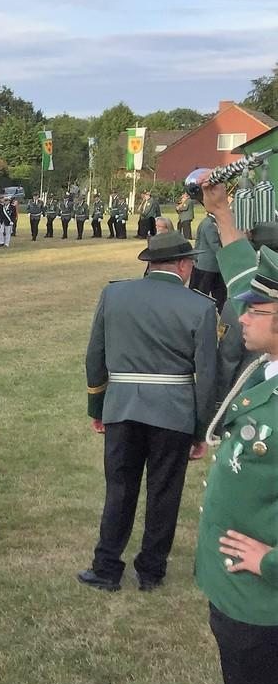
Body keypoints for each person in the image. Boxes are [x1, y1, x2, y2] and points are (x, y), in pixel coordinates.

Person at [185, 249, 278, 684]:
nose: (242, 315)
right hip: (238, 595)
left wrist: (268, 560)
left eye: (257, 308)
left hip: (263, 601)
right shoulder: (266, 374)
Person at [79, 231, 218, 593]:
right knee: (164, 492)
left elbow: (95, 357)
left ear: (151, 263)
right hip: (173, 412)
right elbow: (207, 376)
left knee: (119, 489)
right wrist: (201, 429)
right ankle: (152, 570)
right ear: (184, 265)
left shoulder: (114, 294)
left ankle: (106, 567)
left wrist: (98, 406)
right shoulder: (200, 306)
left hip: (122, 406)